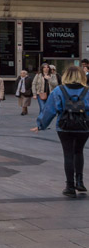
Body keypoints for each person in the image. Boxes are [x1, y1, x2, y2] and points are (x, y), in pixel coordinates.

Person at [32, 65, 89, 198]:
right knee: (79, 151)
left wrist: (40, 125)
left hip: (64, 126)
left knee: (68, 154)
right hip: (84, 126)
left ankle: (70, 186)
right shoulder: (87, 91)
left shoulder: (59, 90)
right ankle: (80, 182)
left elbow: (49, 110)